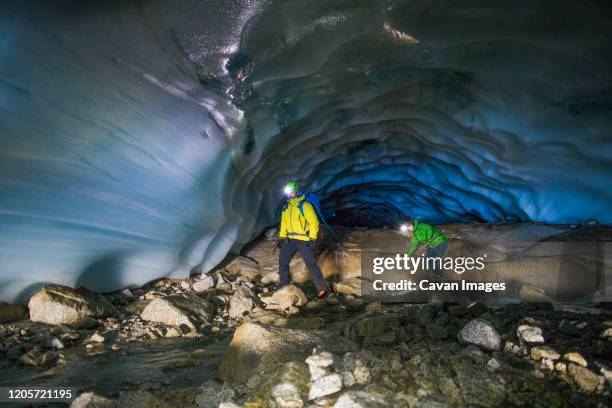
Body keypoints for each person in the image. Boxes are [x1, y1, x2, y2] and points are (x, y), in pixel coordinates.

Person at [277, 181, 331, 298]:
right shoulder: (286, 207)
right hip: (290, 239)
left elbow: (314, 223)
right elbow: (284, 223)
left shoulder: (305, 205)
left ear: (296, 191)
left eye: (291, 192)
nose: (290, 195)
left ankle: (322, 289)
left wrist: (312, 239)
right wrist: (281, 237)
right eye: (288, 193)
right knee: (282, 262)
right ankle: (283, 286)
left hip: (303, 240)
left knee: (311, 264)